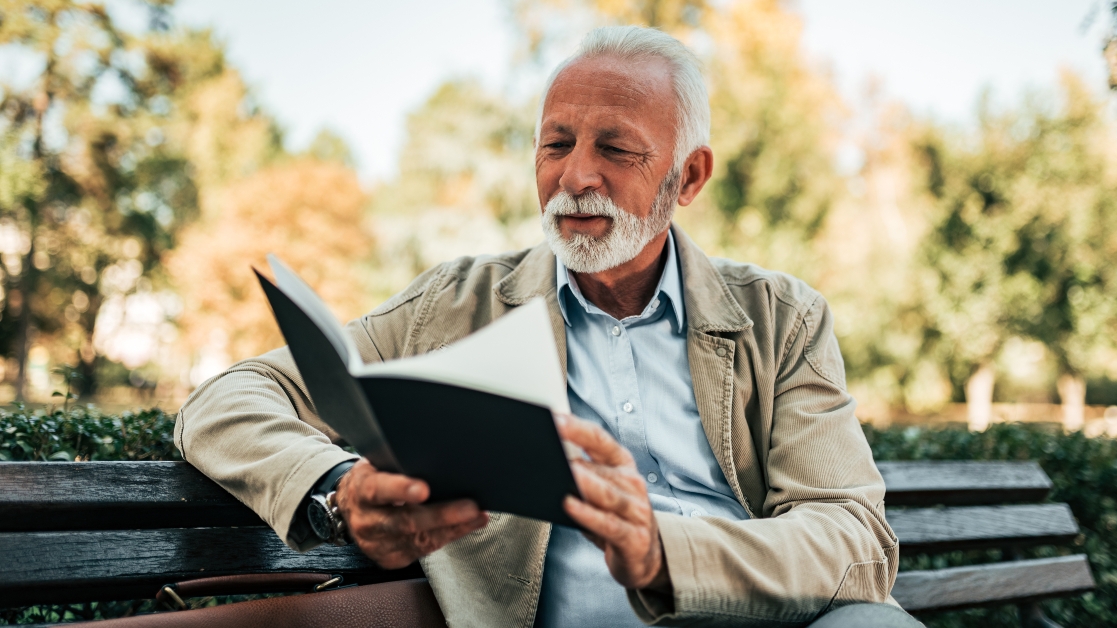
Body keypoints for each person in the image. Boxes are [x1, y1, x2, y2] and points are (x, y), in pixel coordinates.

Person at [177, 25, 921, 628]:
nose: (575, 178)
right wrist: (335, 492)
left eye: (616, 149)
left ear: (688, 177)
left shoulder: (782, 318)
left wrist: (664, 551)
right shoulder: (454, 306)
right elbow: (229, 398)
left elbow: (853, 541)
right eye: (556, 144)